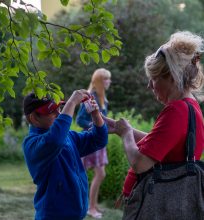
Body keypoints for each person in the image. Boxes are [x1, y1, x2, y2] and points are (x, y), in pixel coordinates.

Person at [103, 31, 204, 219]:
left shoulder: (176, 111)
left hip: (156, 205)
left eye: (155, 78)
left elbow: (140, 163)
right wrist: (122, 129)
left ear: (172, 78)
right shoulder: (190, 106)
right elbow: (160, 144)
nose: (150, 85)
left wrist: (126, 135)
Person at [22, 89, 108, 220]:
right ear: (34, 118)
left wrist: (95, 114)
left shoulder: (68, 136)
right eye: (52, 111)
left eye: (60, 108)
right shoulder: (32, 144)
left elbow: (99, 140)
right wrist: (72, 102)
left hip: (76, 215)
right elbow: (54, 141)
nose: (58, 113)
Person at [76, 68, 111, 219]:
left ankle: (93, 205)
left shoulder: (103, 98)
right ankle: (89, 207)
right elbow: (79, 120)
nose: (109, 82)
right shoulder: (91, 97)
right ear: (98, 81)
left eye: (108, 79)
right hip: (90, 139)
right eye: (106, 79)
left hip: (98, 140)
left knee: (99, 174)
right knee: (94, 173)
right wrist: (94, 124)